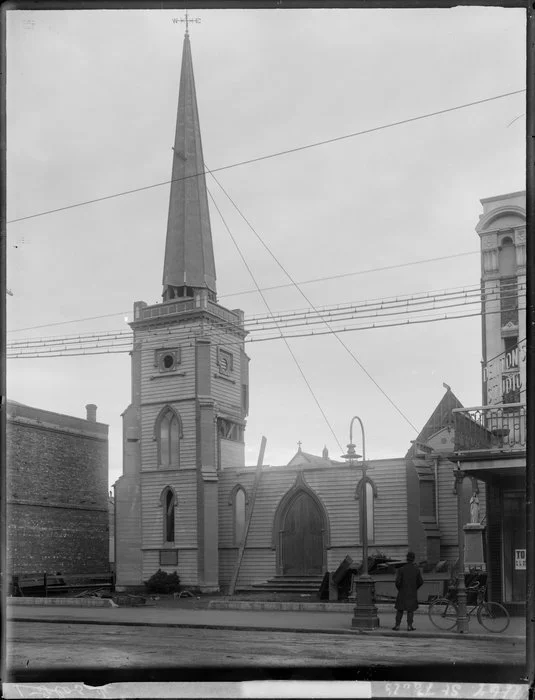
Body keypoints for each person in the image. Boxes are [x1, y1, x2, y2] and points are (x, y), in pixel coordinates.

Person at [392, 551, 423, 631]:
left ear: (407, 558)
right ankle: (409, 626)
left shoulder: (401, 569)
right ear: (413, 559)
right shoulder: (416, 570)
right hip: (412, 592)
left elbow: (397, 582)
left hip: (402, 592)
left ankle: (397, 626)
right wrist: (414, 588)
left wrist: (400, 589)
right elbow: (420, 582)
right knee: (410, 610)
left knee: (400, 609)